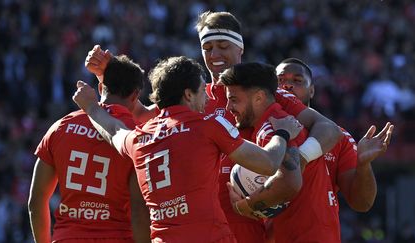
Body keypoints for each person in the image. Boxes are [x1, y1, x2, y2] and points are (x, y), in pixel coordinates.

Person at [84, 11, 343, 242]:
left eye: (223, 46)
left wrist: (302, 159)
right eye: (207, 48)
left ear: (240, 49)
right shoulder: (194, 97)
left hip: (247, 221)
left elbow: (329, 129)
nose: (215, 55)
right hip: (200, 223)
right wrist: (107, 77)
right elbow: (138, 115)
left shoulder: (263, 92)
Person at [72, 56, 303, 243]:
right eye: (203, 90)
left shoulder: (138, 138)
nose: (207, 98)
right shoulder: (208, 126)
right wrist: (282, 133)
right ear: (188, 94)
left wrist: (91, 106)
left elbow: (113, 131)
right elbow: (269, 162)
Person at [265, 57, 394, 242]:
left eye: (297, 81)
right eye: (281, 80)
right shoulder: (256, 128)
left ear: (312, 90)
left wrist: (364, 165)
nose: (288, 86)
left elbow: (362, 203)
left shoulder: (340, 138)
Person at [28, 55, 151, 243]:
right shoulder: (136, 137)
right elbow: (139, 211)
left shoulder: (61, 127)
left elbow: (36, 202)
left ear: (101, 88)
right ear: (135, 95)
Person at [219, 62, 307, 215]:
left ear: (259, 98)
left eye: (233, 99)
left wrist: (244, 207)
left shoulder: (272, 129)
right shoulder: (275, 122)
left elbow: (290, 184)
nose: (228, 107)